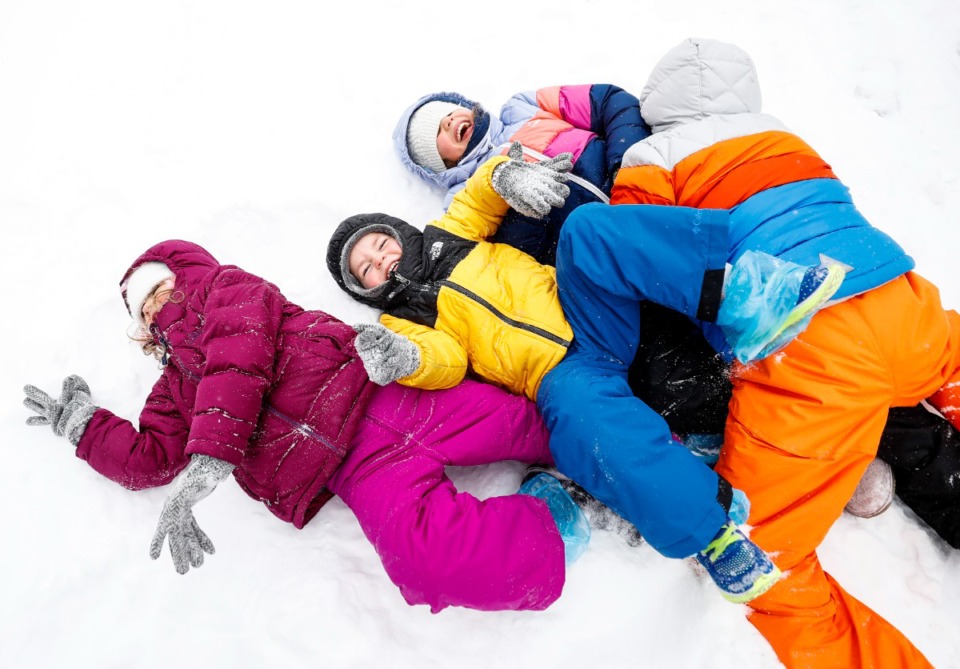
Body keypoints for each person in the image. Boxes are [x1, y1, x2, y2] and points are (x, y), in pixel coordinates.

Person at [571, 37, 953, 667]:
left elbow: (646, 248)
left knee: (763, 561)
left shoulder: (651, 154)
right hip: (905, 302)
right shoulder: (786, 138)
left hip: (814, 352)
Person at [326, 147, 851, 603]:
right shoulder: (403, 321)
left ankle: (748, 297)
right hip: (562, 372)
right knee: (579, 427)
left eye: (379, 245)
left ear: (395, 231)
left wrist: (506, 177)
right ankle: (709, 533)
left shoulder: (448, 235)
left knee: (586, 230)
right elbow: (446, 362)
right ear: (366, 291)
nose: (381, 262)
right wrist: (406, 359)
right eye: (367, 270)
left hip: (582, 307)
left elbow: (480, 194)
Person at [22, 239, 605, 614]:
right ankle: (557, 512)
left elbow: (239, 356)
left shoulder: (231, 292)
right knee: (424, 561)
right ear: (144, 334)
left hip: (383, 394)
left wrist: (213, 454)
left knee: (541, 422)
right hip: (356, 471)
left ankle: (648, 460)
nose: (159, 308)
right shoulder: (175, 389)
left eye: (162, 289)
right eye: (145, 310)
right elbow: (150, 457)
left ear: (187, 274)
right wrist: (83, 427)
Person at [394, 84, 649, 266]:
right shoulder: (465, 197)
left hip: (644, 184)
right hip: (599, 246)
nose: (449, 121)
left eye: (448, 113)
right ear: (439, 165)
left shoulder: (522, 107)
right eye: (438, 131)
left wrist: (625, 161)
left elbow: (607, 101)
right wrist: (526, 212)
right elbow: (510, 260)